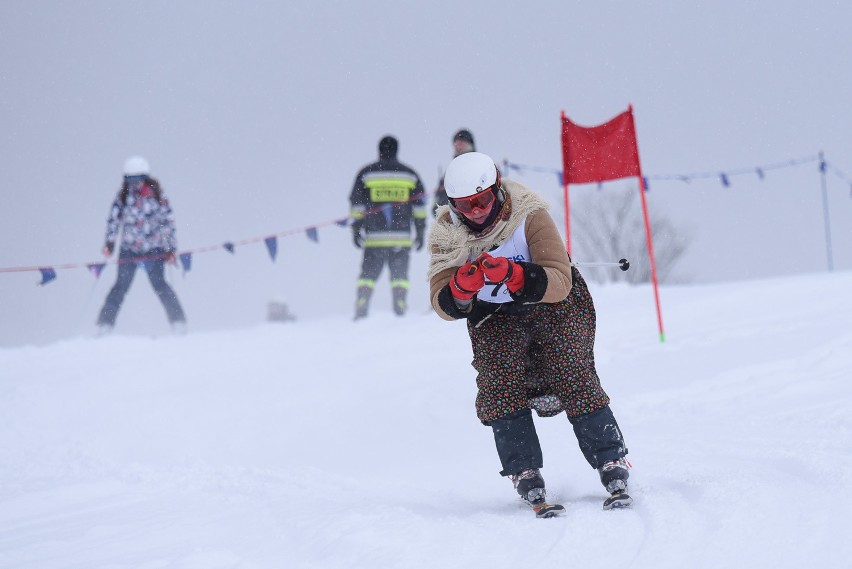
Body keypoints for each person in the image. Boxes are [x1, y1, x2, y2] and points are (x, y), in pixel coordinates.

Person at [427, 152, 631, 516]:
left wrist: (517, 275)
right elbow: (441, 303)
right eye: (464, 205)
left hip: (554, 305)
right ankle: (524, 468)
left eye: (482, 200)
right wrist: (459, 289)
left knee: (571, 370)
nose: (475, 211)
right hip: (495, 317)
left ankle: (610, 459)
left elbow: (559, 280)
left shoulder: (529, 215)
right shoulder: (447, 235)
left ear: (497, 190)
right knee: (498, 381)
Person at [96, 156, 187, 334]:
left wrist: (170, 248)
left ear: (145, 178)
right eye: (130, 181)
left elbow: (166, 223)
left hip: (154, 249)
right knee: (120, 287)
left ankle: (178, 322)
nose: (134, 185)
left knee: (160, 285)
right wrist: (110, 242)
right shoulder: (123, 197)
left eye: (138, 181)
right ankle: (105, 325)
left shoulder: (157, 196)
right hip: (129, 250)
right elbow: (114, 220)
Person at [349, 136, 427, 319]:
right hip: (401, 238)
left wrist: (355, 228)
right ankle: (400, 303)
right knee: (399, 276)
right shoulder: (409, 174)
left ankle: (362, 302)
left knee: (367, 275)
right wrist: (421, 231)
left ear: (379, 150)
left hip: (374, 238)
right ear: (397, 150)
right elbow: (420, 206)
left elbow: (357, 204)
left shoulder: (367, 173)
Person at [431, 128, 476, 217]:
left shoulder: (480, 166)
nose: (458, 146)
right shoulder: (449, 172)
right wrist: (438, 208)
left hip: (474, 216)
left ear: (470, 145)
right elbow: (437, 201)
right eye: (456, 143)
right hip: (452, 219)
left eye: (461, 143)